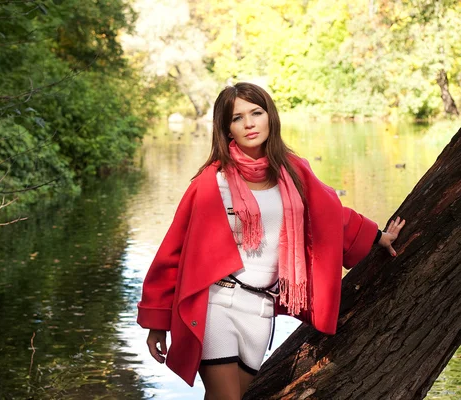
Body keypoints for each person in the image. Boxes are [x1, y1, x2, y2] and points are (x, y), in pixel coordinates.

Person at [136, 82, 405, 400]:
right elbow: (173, 251)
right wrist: (157, 321)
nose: (249, 123)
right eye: (237, 118)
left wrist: (377, 236)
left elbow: (330, 214)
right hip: (217, 303)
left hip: (261, 309)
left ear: (270, 117)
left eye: (256, 112)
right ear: (227, 129)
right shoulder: (212, 182)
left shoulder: (293, 171)